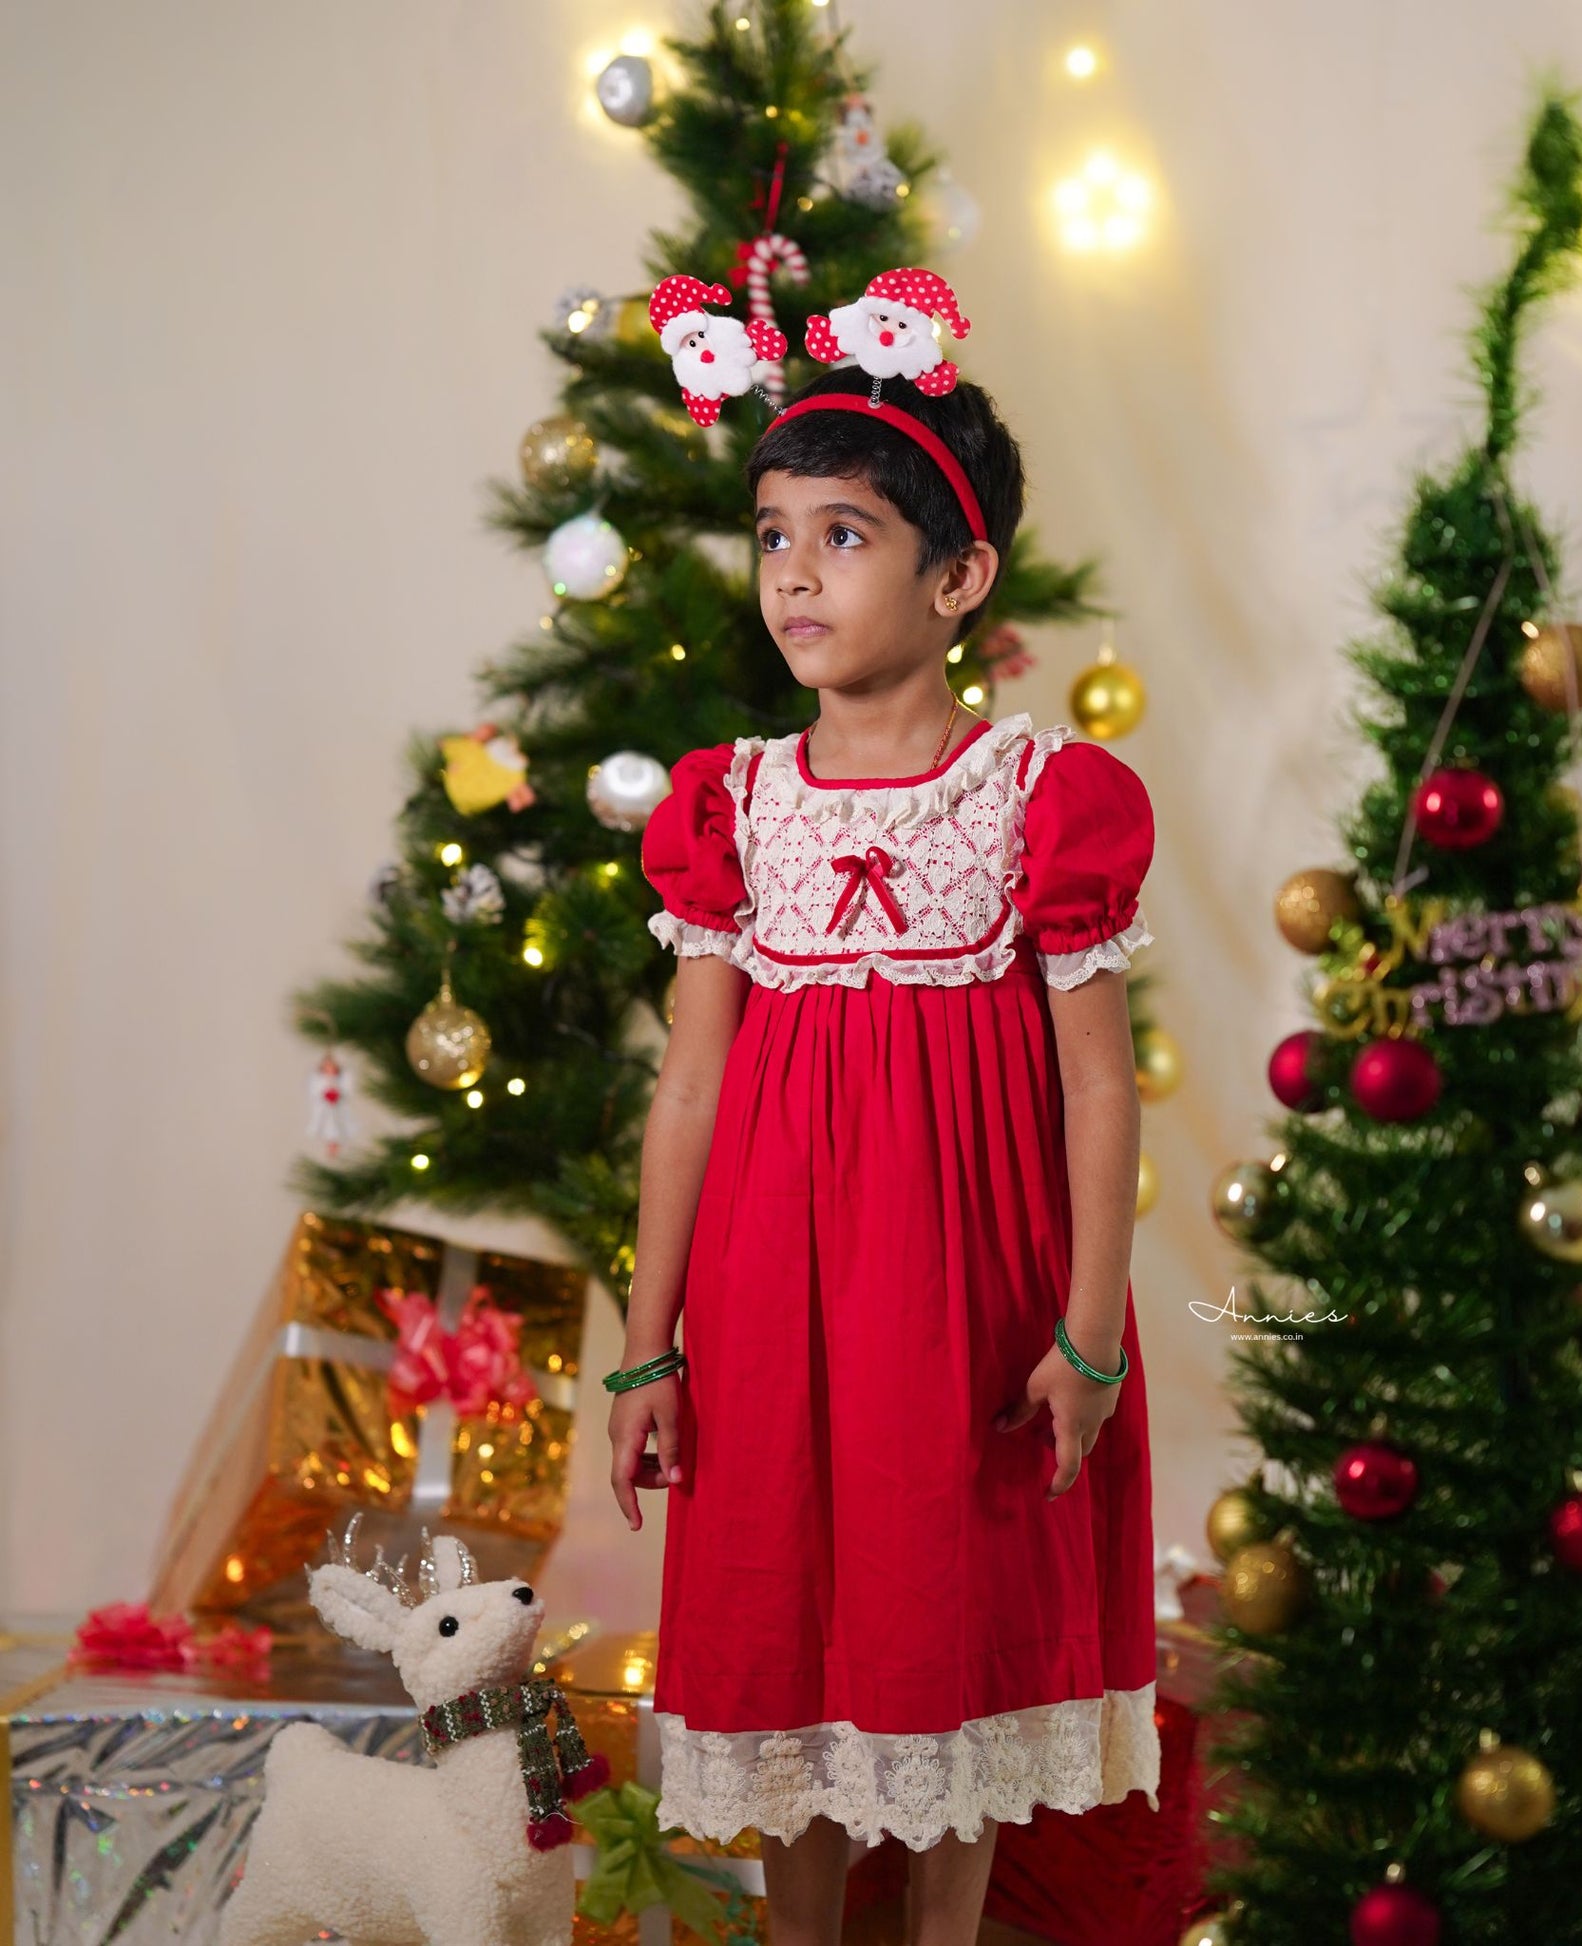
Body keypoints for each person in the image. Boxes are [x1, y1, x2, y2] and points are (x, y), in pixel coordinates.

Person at [607, 344, 1161, 1946]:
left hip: (970, 1296)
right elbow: (691, 1088)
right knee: (787, 1639)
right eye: (773, 534)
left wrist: (1091, 1328)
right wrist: (650, 1350)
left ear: (959, 574)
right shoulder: (735, 803)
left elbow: (1098, 1087)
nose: (793, 574)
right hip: (778, 1296)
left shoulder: (1040, 797)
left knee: (945, 1636)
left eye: (843, 536)